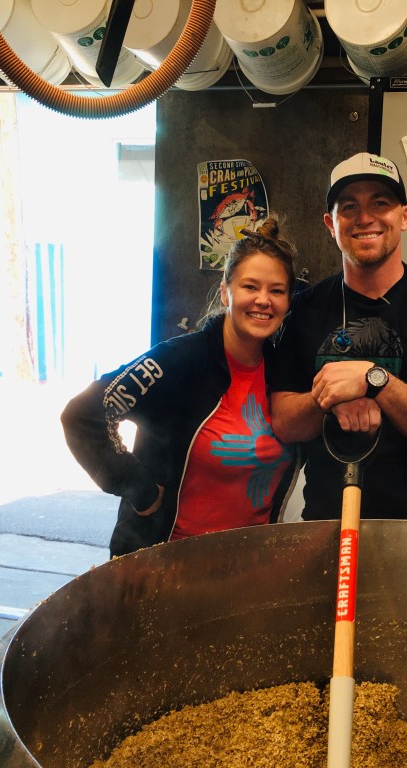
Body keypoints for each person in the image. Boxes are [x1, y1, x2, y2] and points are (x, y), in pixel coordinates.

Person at [62, 219, 299, 557]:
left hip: (249, 564)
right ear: (225, 291)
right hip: (167, 562)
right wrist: (139, 489)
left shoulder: (285, 371)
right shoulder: (180, 360)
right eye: (250, 286)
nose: (263, 300)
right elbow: (83, 414)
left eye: (276, 290)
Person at [269, 153, 407, 522]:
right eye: (349, 206)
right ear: (330, 224)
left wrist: (374, 380)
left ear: (405, 216)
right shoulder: (301, 311)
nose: (365, 217)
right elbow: (285, 423)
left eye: (380, 203)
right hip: (325, 526)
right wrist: (329, 398)